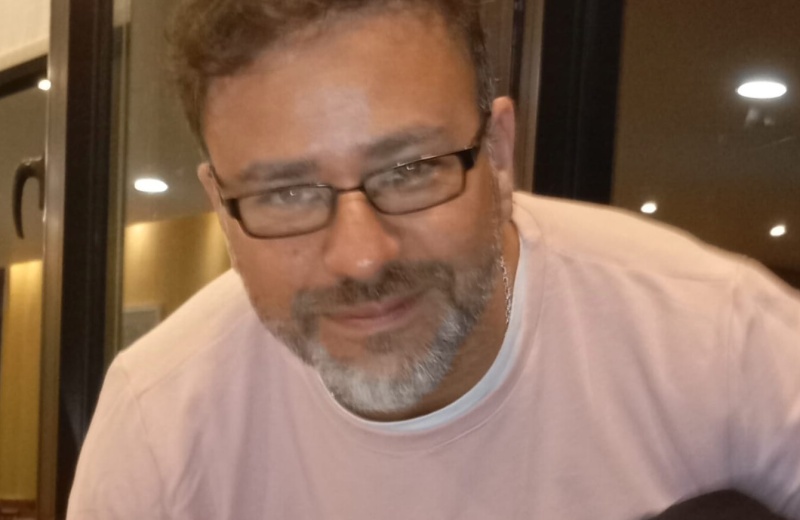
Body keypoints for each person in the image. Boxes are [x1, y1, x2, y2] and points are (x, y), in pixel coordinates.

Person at [67, 0, 800, 518]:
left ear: (500, 155)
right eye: (285, 193)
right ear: (222, 207)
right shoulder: (161, 425)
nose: (360, 257)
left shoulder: (721, 341)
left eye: (411, 170)